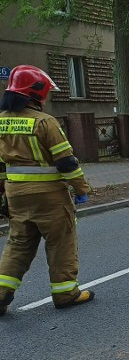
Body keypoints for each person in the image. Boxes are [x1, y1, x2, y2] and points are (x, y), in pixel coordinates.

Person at [0, 65, 94, 316]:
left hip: (16, 196)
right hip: (49, 196)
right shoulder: (45, 122)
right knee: (61, 242)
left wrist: (4, 192)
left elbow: (1, 165)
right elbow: (66, 162)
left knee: (18, 244)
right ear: (37, 92)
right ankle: (66, 293)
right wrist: (81, 188)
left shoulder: (1, 122)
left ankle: (0, 295)